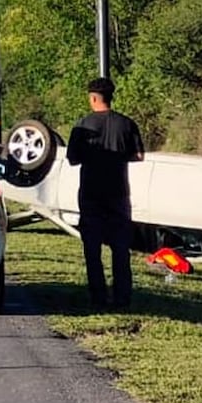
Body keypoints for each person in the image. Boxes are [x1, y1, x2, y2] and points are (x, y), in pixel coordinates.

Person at [65, 76, 145, 309]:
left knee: (92, 247)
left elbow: (72, 159)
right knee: (121, 248)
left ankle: (98, 297)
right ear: (110, 97)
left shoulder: (82, 125)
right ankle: (122, 297)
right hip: (119, 193)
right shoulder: (127, 124)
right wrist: (120, 157)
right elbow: (139, 155)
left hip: (91, 193)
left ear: (92, 98)